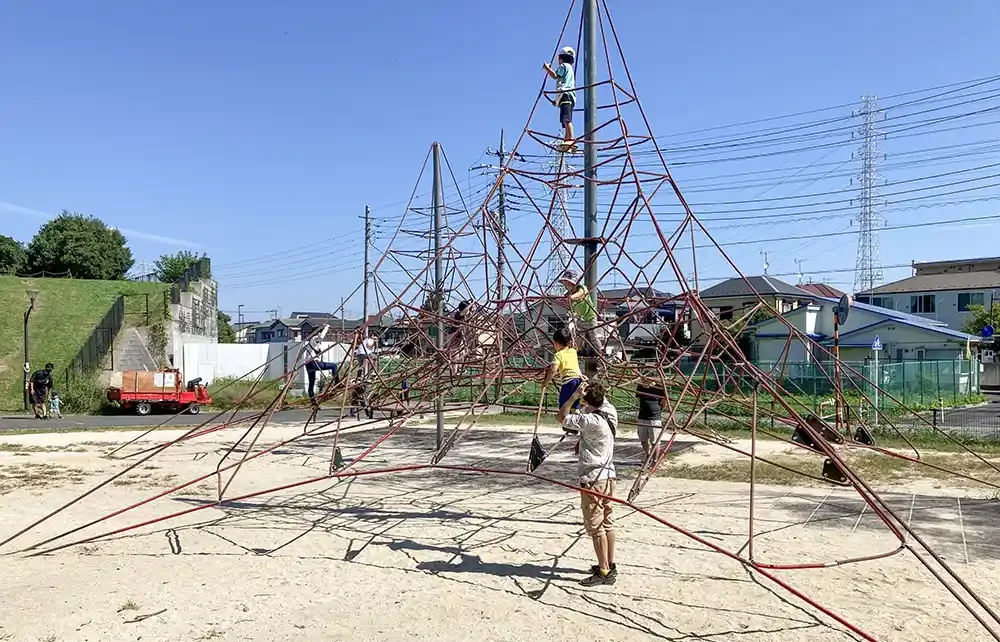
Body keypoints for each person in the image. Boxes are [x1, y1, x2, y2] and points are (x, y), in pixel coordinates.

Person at [559, 381, 618, 587]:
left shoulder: (590, 420)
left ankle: (603, 571)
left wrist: (574, 395)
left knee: (596, 526)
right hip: (609, 475)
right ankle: (609, 563)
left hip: (593, 477)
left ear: (586, 400)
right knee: (608, 521)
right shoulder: (609, 411)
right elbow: (599, 398)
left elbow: (562, 416)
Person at [559, 269, 602, 357]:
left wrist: (571, 297)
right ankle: (580, 350)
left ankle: (599, 351)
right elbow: (565, 297)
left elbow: (580, 293)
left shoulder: (582, 288)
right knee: (578, 335)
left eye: (568, 283)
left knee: (593, 336)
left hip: (590, 317)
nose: (567, 286)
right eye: (565, 284)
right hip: (580, 318)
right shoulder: (569, 293)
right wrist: (563, 298)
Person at [543, 46, 577, 152]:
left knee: (566, 119)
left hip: (565, 94)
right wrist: (556, 102)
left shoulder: (563, 66)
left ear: (561, 58)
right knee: (565, 119)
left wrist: (547, 68)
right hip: (569, 95)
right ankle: (567, 141)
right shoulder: (570, 68)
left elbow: (555, 76)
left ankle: (570, 139)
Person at [543, 327, 582, 413]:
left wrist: (545, 383)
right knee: (574, 405)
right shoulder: (573, 351)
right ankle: (576, 418)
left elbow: (553, 370)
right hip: (578, 380)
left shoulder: (558, 355)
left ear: (556, 343)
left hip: (568, 382)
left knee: (564, 405)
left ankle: (566, 421)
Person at [303, 325, 339, 405]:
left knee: (311, 383)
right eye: (319, 332)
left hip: (309, 364)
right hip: (313, 363)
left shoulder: (312, 342)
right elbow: (321, 336)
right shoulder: (314, 338)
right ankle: (337, 383)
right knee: (334, 366)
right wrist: (326, 327)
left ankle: (313, 402)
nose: (320, 334)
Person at [635, 378, 667, 463]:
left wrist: (656, 411)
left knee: (655, 441)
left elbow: (664, 402)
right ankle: (648, 455)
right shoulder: (640, 387)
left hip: (654, 418)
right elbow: (639, 399)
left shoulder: (658, 388)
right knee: (643, 439)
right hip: (642, 417)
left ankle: (655, 461)